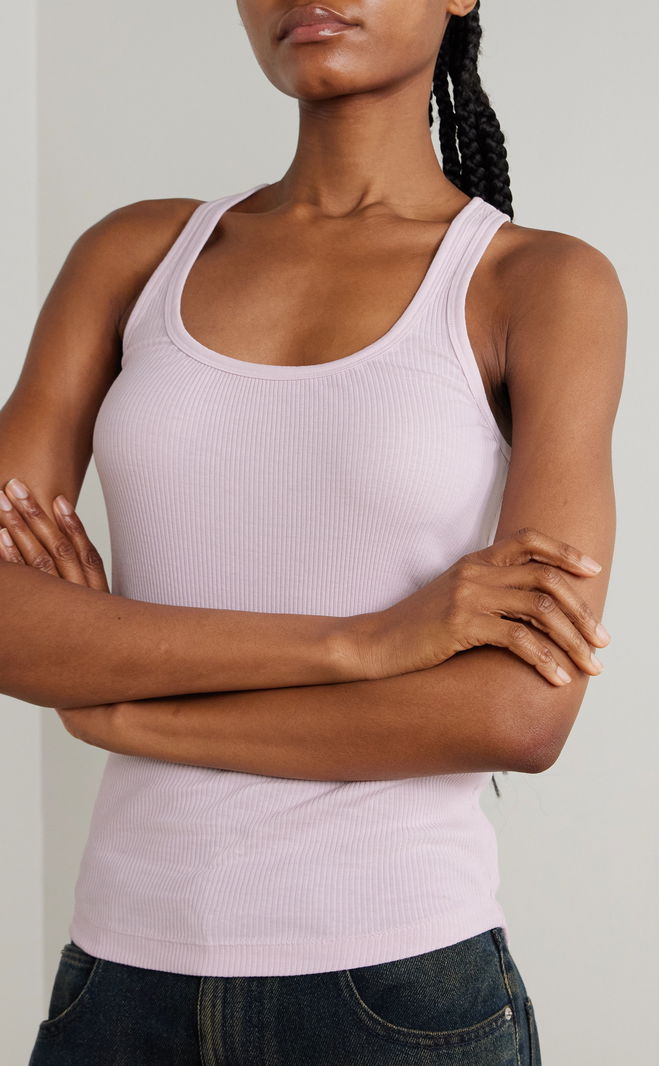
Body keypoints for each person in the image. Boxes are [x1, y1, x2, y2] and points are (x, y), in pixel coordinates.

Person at [1, 1, 626, 1062]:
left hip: (399, 988)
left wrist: (122, 707)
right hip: (117, 983)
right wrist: (362, 643)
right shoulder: (135, 255)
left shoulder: (537, 283)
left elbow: (518, 712)